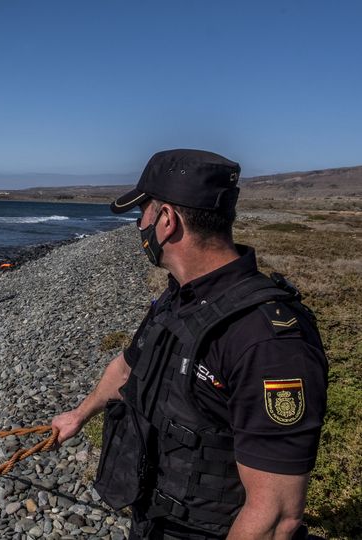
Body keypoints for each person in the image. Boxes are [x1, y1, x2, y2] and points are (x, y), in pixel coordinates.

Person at [51, 149, 328, 539]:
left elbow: (276, 516)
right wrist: (79, 415)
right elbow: (128, 367)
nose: (139, 225)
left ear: (167, 221)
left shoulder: (267, 340)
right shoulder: (181, 297)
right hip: (154, 517)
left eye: (143, 212)